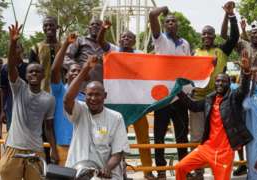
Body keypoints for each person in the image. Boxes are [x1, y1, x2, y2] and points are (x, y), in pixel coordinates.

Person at [174, 52, 253, 180]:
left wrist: (246, 72)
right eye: (217, 81)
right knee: (180, 167)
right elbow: (193, 106)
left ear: (228, 84)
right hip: (206, 148)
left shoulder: (233, 97)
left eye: (223, 81)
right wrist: (178, 91)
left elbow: (243, 89)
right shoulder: (209, 99)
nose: (220, 83)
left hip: (224, 153)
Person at [0, 22, 58, 180]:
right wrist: (12, 43)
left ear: (42, 76)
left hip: (36, 150)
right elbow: (11, 65)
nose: (34, 74)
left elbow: (49, 128)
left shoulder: (49, 99)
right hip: (13, 149)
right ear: (25, 75)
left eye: (38, 72)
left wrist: (53, 149)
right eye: (31, 71)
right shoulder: (19, 88)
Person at [98, 21, 155, 179]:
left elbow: (155, 68)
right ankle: (119, 171)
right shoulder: (113, 51)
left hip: (137, 104)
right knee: (118, 141)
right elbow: (100, 41)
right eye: (123, 37)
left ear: (135, 41)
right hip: (118, 104)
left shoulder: (140, 55)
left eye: (129, 37)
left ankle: (148, 171)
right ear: (119, 40)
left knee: (143, 139)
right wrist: (104, 29)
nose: (126, 39)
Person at [190, 1, 240, 178]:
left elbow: (234, 37)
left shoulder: (221, 51)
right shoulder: (194, 53)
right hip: (198, 100)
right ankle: (198, 170)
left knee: (216, 136)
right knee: (196, 137)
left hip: (217, 100)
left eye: (210, 34)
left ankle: (217, 167)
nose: (206, 36)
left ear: (213, 36)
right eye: (204, 34)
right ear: (201, 36)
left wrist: (231, 15)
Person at [63, 55, 130, 179]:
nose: (93, 98)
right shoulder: (80, 110)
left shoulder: (116, 117)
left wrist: (107, 168)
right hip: (77, 172)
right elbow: (67, 99)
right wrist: (86, 68)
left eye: (97, 95)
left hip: (103, 175)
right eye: (90, 95)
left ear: (105, 96)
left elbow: (118, 152)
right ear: (85, 96)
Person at [149, 6, 190, 179]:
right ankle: (161, 171)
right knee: (159, 136)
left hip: (180, 96)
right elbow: (152, 15)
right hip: (163, 96)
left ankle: (183, 170)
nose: (171, 23)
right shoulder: (160, 39)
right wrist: (163, 9)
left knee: (182, 137)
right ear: (164, 25)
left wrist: (188, 92)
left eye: (173, 21)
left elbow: (189, 68)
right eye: (168, 21)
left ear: (177, 25)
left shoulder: (185, 43)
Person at [50, 33, 85, 166]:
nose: (76, 73)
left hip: (82, 148)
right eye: (72, 71)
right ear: (66, 76)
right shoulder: (59, 91)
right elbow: (54, 70)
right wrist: (65, 44)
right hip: (63, 146)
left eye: (79, 71)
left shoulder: (86, 98)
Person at [64, 18, 104, 83]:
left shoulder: (106, 46)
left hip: (99, 86)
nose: (95, 26)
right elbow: (66, 57)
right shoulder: (80, 40)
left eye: (98, 24)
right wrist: (78, 69)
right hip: (80, 85)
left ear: (102, 29)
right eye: (92, 24)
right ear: (89, 28)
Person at [0, 43, 28, 132]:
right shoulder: (5, 69)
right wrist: (2, 111)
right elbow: (3, 91)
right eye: (12, 47)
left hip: (27, 104)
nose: (15, 49)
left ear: (22, 50)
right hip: (10, 105)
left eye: (17, 47)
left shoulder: (28, 68)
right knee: (11, 131)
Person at [29, 16, 60, 92]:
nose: (48, 27)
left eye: (51, 25)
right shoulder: (36, 48)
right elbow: (32, 73)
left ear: (57, 27)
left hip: (60, 90)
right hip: (42, 91)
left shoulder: (63, 48)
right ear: (43, 28)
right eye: (45, 25)